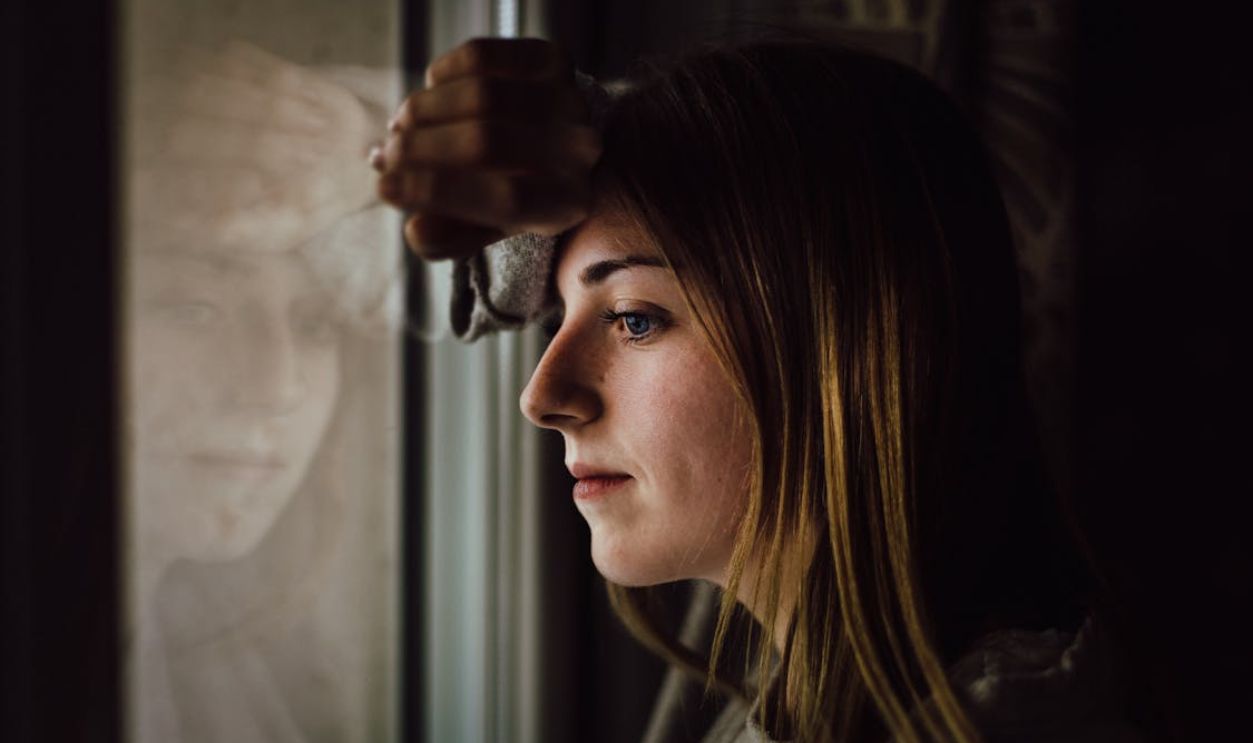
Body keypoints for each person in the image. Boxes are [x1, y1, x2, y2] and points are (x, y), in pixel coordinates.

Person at [375, 36, 1138, 742]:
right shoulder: (812, 679)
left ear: (838, 339)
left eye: (635, 319)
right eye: (559, 320)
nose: (542, 398)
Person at [128, 41, 402, 743]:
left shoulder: (243, 658)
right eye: (191, 308)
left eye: (315, 323)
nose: (275, 387)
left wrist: (373, 149)